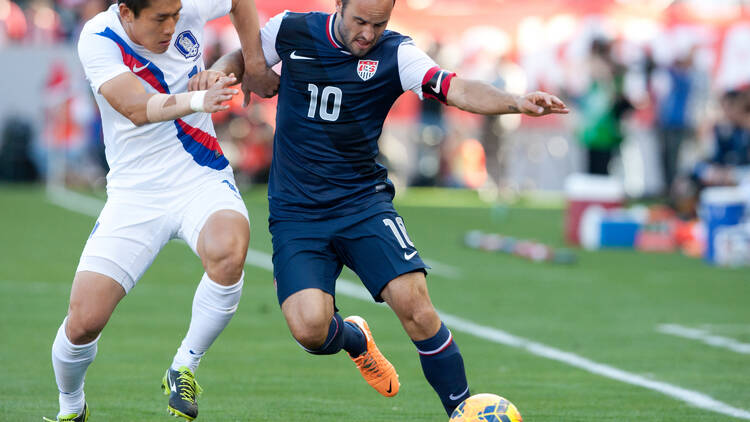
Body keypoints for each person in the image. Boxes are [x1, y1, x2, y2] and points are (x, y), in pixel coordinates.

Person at [198, 0, 568, 416]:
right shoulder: (292, 29)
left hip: (362, 204)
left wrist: (515, 102)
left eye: (379, 24)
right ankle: (355, 338)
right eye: (360, 21)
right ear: (339, 5)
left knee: (415, 304)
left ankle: (462, 410)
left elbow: (456, 88)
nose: (368, 34)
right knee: (309, 330)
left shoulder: (396, 52)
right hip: (297, 215)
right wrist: (223, 73)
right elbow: (246, 56)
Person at [44, 0, 278, 421]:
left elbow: (240, 3)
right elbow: (135, 108)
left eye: (176, 15)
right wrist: (198, 99)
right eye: (160, 18)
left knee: (229, 250)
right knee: (83, 322)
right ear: (127, 12)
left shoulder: (182, 6)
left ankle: (184, 365)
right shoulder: (98, 37)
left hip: (199, 176)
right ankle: (71, 406)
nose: (172, 25)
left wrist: (255, 63)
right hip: (135, 194)